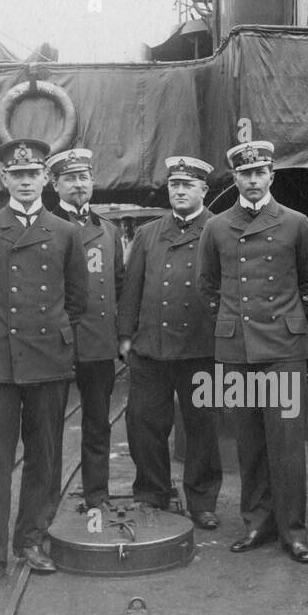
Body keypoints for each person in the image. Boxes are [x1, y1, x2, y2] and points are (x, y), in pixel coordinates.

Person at [0, 138, 88, 590]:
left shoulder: (65, 232)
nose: (26, 182)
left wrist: (52, 328)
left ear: (46, 179)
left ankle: (30, 540)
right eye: (17, 175)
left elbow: (78, 299)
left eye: (33, 174)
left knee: (44, 458)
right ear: (4, 179)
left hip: (48, 360)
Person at [197, 139, 308, 563]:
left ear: (271, 176)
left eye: (260, 173)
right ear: (234, 178)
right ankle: (256, 522)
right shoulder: (216, 227)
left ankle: (293, 530)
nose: (253, 181)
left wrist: (287, 317)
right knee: (249, 441)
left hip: (283, 348)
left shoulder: (295, 222)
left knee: (287, 443)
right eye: (244, 174)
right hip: (237, 348)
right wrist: (234, 319)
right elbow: (207, 286)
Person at [116, 155, 222, 528]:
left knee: (202, 426)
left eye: (188, 185)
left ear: (203, 191)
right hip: (152, 347)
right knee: (143, 422)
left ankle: (202, 500)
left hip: (202, 347)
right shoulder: (149, 234)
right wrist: (126, 336)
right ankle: (152, 493)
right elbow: (132, 288)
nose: (179, 191)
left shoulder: (219, 229)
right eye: (174, 185)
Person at [46, 147, 125, 510]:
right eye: (69, 178)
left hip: (96, 343)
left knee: (97, 423)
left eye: (83, 177)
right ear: (55, 184)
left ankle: (97, 494)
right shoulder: (44, 227)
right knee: (47, 428)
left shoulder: (108, 231)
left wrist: (121, 335)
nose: (78, 185)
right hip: (53, 345)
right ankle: (45, 501)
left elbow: (119, 285)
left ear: (93, 182)